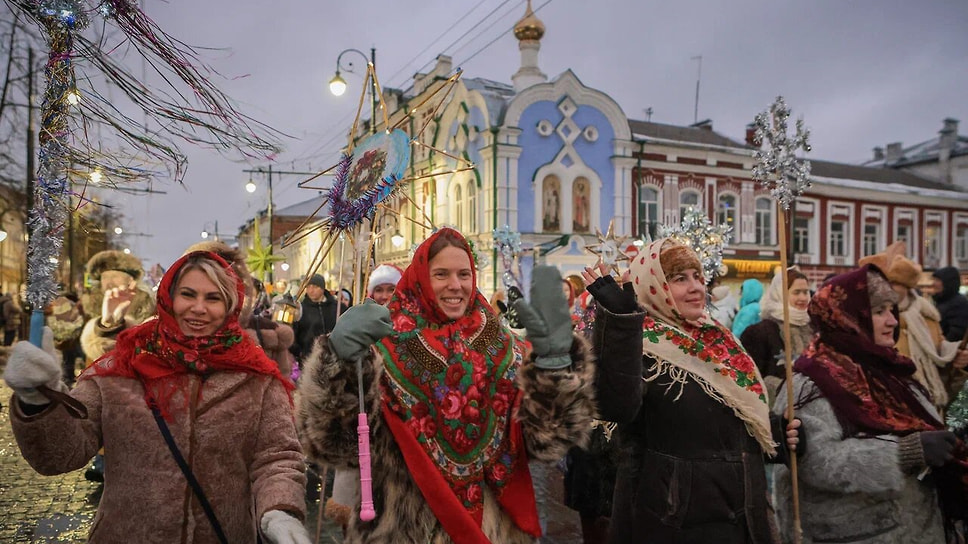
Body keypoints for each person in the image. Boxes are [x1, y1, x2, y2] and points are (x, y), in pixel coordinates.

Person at [296, 227, 596, 543]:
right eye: (441, 274)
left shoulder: (505, 348)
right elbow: (331, 446)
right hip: (401, 531)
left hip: (493, 530)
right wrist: (337, 362)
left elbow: (545, 443)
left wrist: (556, 372)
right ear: (420, 278)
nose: (455, 285)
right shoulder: (379, 349)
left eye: (463, 274)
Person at [3, 251, 310, 544]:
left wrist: (279, 510)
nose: (199, 307)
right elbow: (62, 454)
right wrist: (37, 400)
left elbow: (277, 457)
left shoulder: (256, 377)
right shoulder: (121, 366)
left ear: (230, 306)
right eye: (188, 294)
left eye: (213, 298)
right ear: (168, 297)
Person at [584, 238, 799, 544]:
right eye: (680, 278)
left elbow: (733, 418)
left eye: (698, 277)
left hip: (742, 519)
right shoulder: (643, 348)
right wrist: (621, 323)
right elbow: (616, 406)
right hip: (676, 524)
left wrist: (778, 432)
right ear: (654, 285)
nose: (697, 287)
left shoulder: (719, 341)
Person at [773, 264, 964, 543]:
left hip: (919, 526)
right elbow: (818, 461)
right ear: (848, 316)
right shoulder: (811, 382)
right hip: (854, 533)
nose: (893, 321)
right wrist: (905, 453)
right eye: (878, 312)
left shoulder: (891, 370)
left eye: (892, 309)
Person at [861, 243, 968, 412]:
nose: (886, 289)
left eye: (893, 283)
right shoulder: (864, 316)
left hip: (929, 406)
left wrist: (955, 355)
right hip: (887, 406)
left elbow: (938, 350)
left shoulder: (927, 316)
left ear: (906, 287)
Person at [187, 241, 296, 377]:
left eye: (214, 295)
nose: (200, 307)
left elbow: (282, 389)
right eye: (189, 293)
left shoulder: (268, 335)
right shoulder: (159, 341)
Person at [740, 268, 813, 403]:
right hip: (774, 413)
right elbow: (749, 380)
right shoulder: (760, 332)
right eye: (796, 292)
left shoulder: (813, 328)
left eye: (806, 292)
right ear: (780, 294)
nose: (803, 298)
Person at [79, 249, 156, 362]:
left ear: (131, 280)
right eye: (104, 277)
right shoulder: (89, 306)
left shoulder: (150, 308)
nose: (109, 282)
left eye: (114, 276)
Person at [290, 273, 338, 363]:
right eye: (308, 287)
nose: (311, 290)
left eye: (315, 287)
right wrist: (299, 352)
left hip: (334, 356)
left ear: (322, 288)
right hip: (309, 358)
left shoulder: (336, 306)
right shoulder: (301, 309)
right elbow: (294, 332)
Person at [932, 266, 968, 343]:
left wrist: (944, 345)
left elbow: (957, 330)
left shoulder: (958, 302)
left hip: (949, 350)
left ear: (948, 283)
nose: (934, 283)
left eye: (937, 280)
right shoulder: (942, 301)